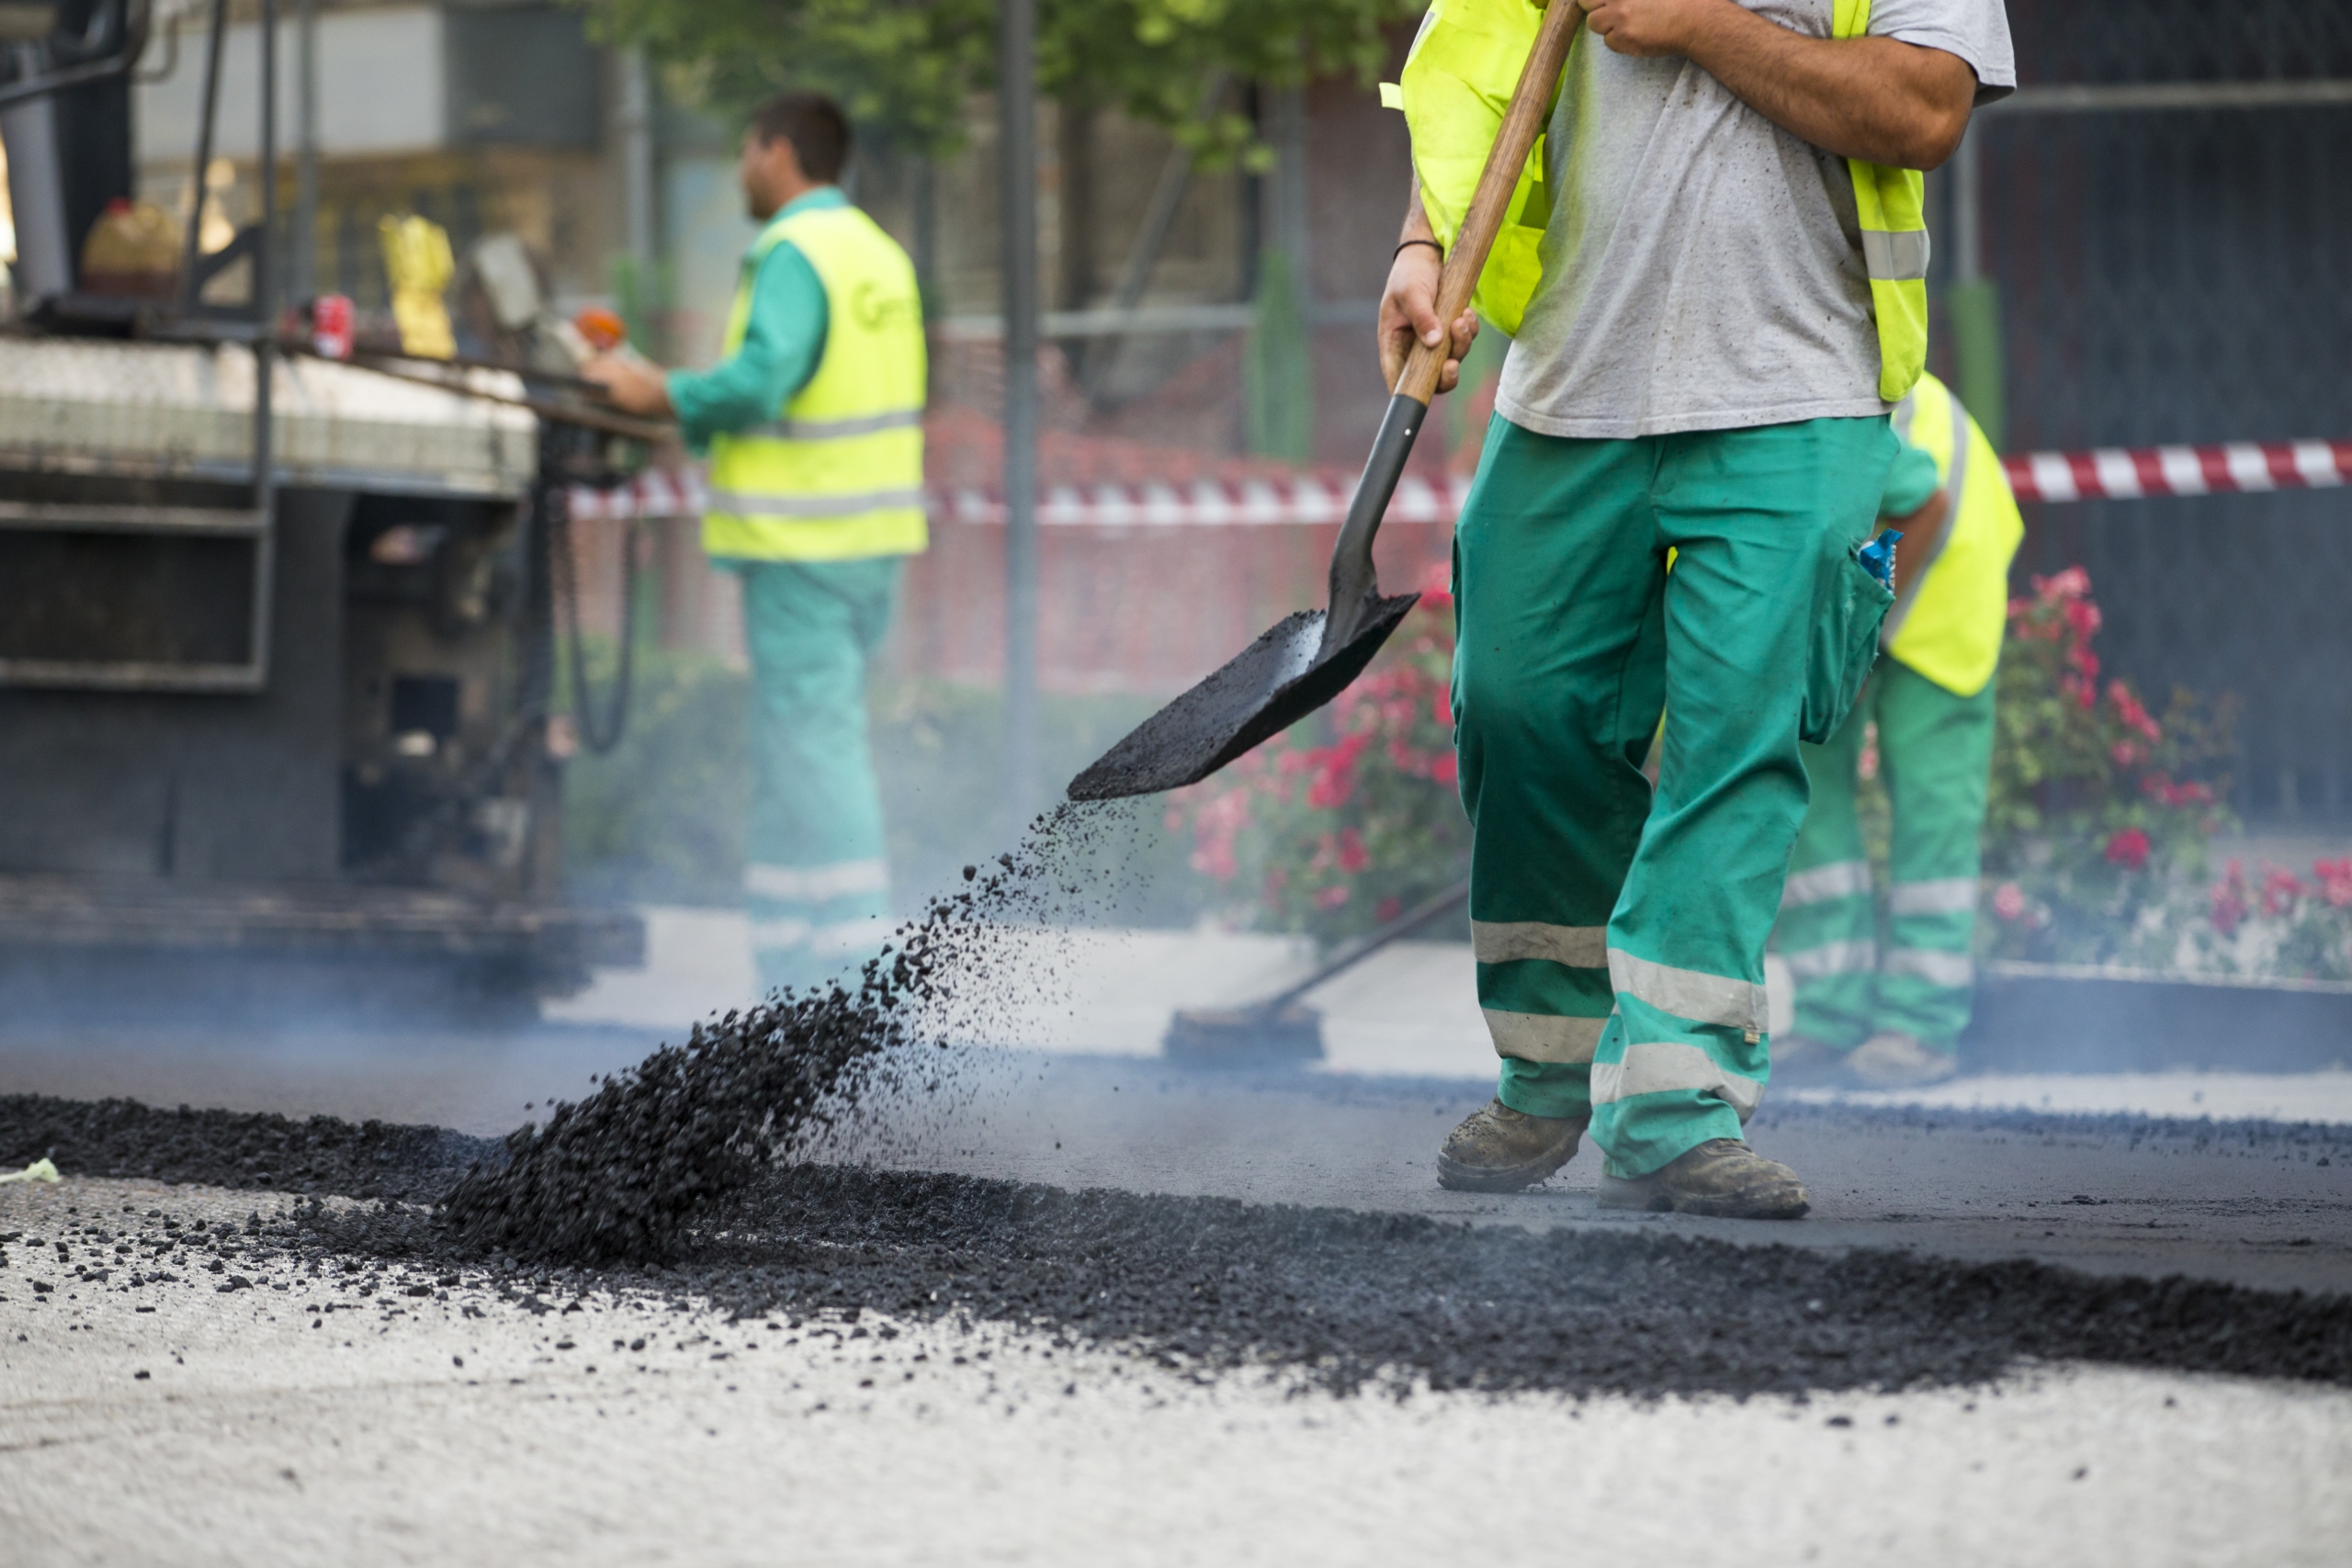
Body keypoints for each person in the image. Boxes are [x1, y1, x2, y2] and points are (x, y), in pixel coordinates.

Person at [1382, 0, 2014, 1214]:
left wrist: (1695, 23)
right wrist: (1421, 243)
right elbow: (1480, 70)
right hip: (1567, 382)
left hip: (1797, 385)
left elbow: (1925, 108)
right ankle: (1549, 1065)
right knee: (1515, 706)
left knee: (1733, 740)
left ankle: (1677, 1105)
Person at [586, 91, 926, 995]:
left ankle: (855, 980)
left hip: (800, 545)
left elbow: (763, 379)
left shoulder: (792, 249)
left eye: (744, 149)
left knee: (816, 752)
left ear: (777, 152)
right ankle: (787, 974)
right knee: (790, 758)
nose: (740, 168)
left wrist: (660, 393)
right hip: (866, 541)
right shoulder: (876, 253)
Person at [1772, 371, 2023, 1087]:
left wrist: (1859, 640)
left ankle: (1920, 1024)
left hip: (1943, 558)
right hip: (1851, 573)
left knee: (1931, 798)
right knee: (1803, 772)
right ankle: (1830, 1013)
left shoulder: (1809, 388)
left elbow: (1924, 503)